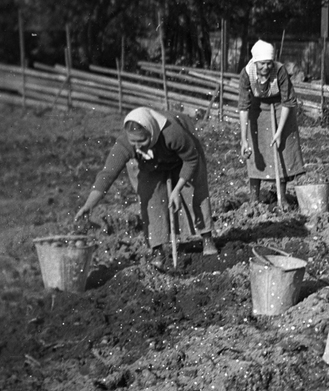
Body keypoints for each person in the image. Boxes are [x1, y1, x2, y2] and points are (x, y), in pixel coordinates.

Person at [77, 107, 217, 269]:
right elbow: (107, 174)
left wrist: (177, 189)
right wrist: (89, 204)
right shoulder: (125, 143)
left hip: (184, 156)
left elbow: (191, 159)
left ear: (151, 132)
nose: (137, 147)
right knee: (149, 199)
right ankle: (158, 250)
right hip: (152, 163)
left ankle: (207, 237)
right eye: (134, 142)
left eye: (142, 141)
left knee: (194, 190)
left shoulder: (172, 133)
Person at [238, 40, 305, 205]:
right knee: (255, 150)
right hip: (257, 109)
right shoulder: (246, 73)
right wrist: (244, 139)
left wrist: (279, 132)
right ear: (255, 62)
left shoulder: (280, 70)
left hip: (281, 108)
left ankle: (282, 197)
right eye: (262, 64)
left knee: (282, 150)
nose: (266, 67)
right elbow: (243, 107)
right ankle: (254, 198)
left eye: (268, 63)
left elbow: (288, 102)